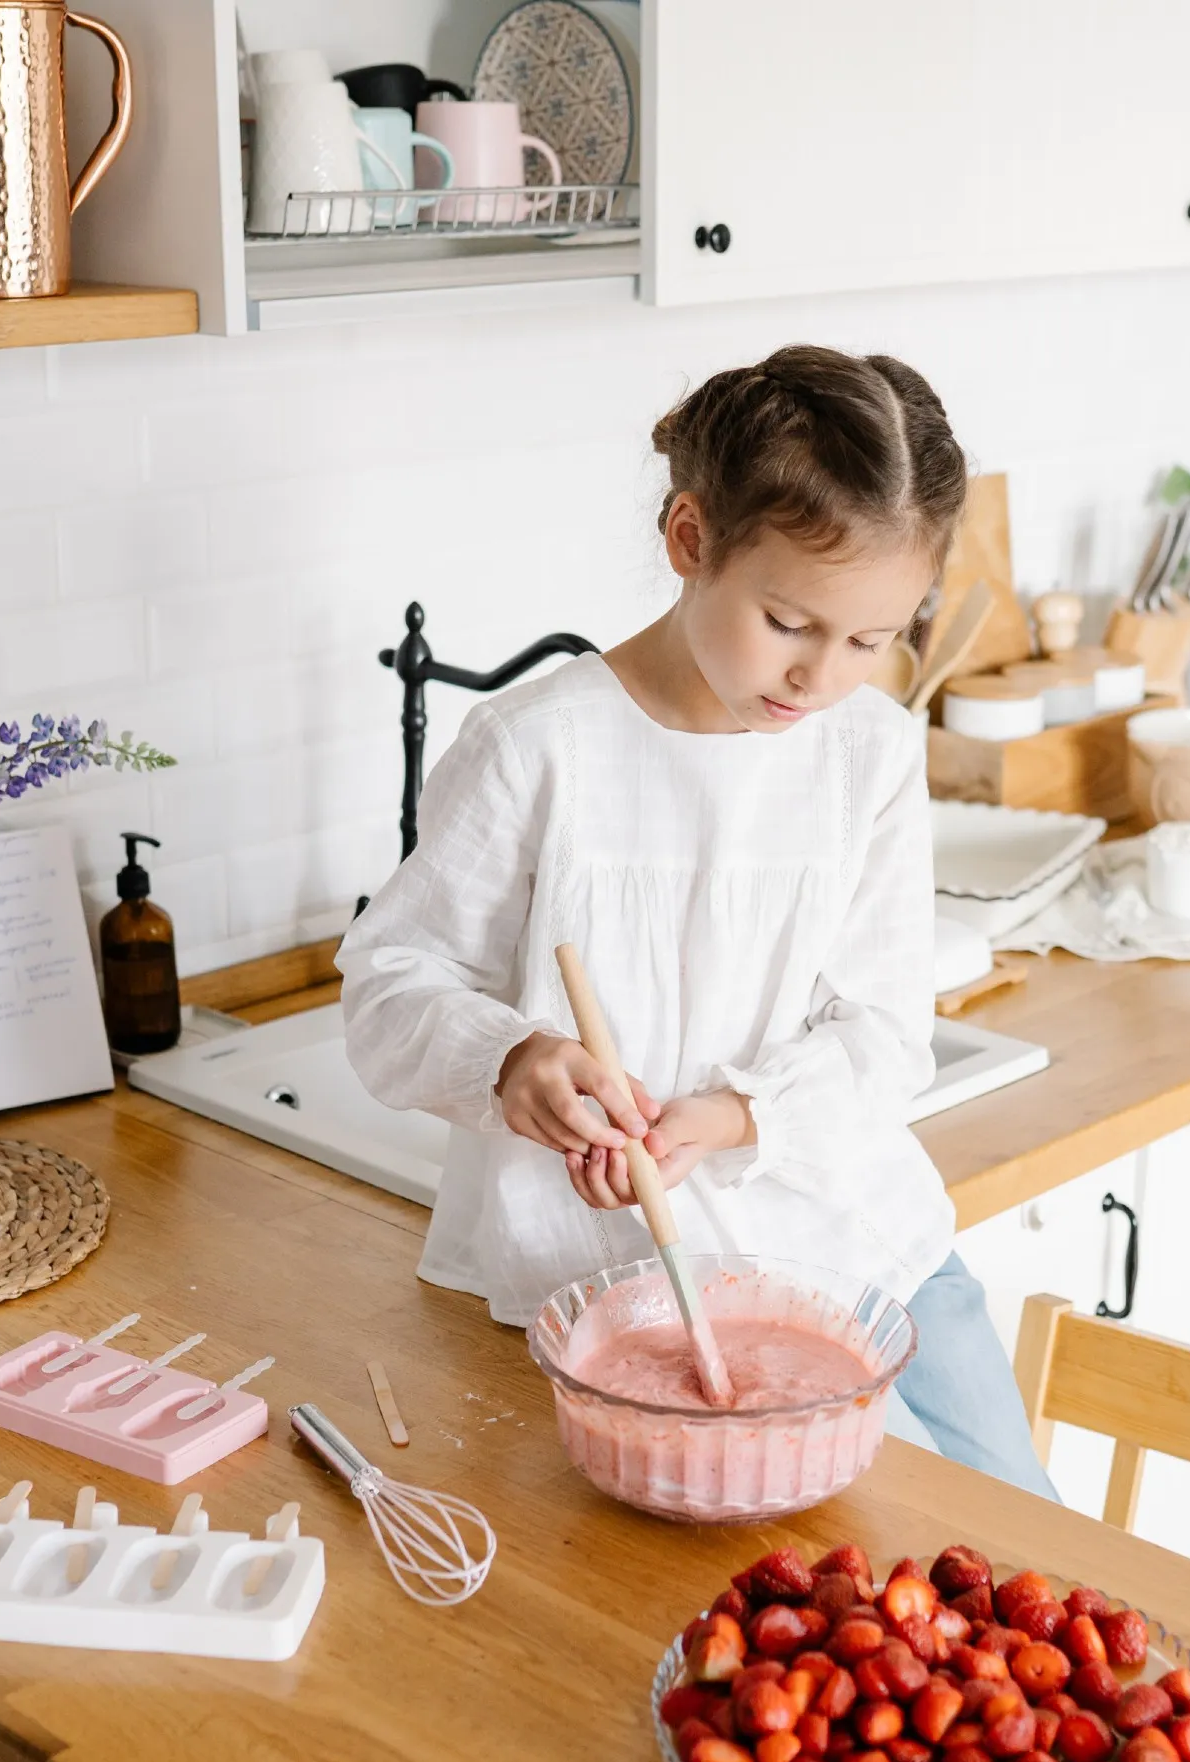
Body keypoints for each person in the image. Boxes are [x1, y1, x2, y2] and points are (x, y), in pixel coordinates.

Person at [336, 344, 1058, 1498]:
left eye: (871, 641)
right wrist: (512, 1059)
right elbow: (387, 989)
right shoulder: (541, 751)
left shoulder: (866, 752)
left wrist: (730, 1117)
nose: (823, 676)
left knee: (1018, 1552)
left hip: (866, 1252)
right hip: (603, 1287)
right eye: (789, 622)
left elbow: (884, 1037)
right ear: (689, 543)